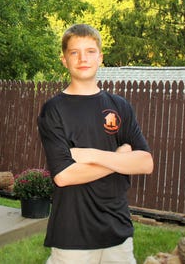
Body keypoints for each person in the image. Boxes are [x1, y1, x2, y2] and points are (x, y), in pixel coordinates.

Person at [37, 24, 154, 264]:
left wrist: (90, 154)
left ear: (100, 57)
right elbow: (64, 176)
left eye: (90, 51)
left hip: (118, 233)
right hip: (72, 237)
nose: (83, 58)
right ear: (64, 60)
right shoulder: (54, 110)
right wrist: (121, 158)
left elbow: (145, 162)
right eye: (74, 52)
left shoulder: (120, 106)